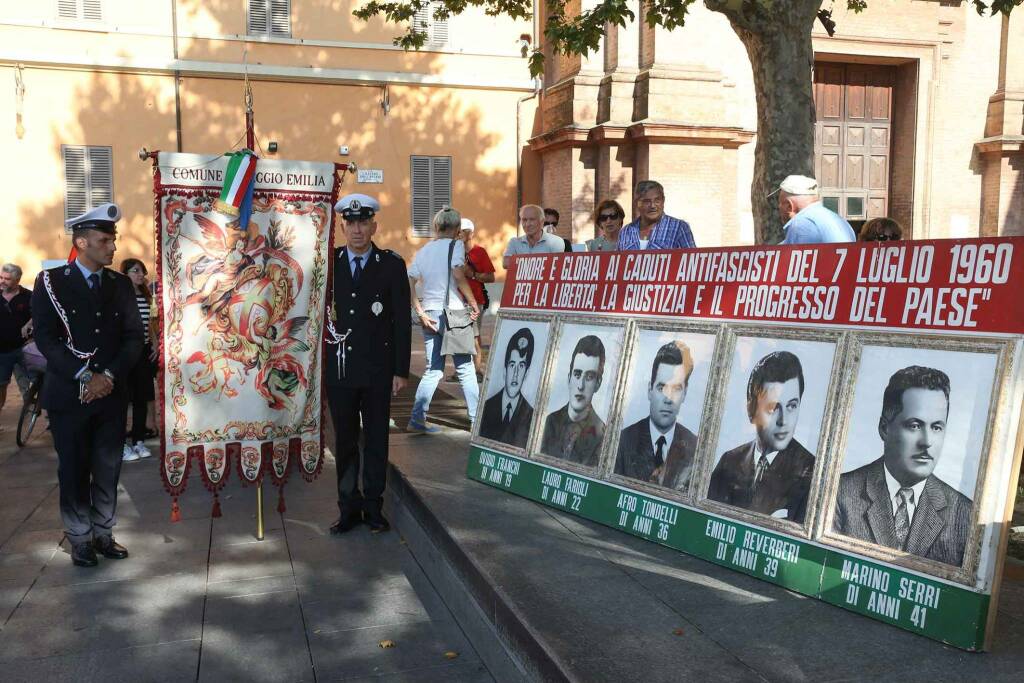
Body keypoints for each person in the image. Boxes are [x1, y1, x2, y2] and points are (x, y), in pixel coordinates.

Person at [32, 203, 143, 567]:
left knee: (108, 466)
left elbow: (133, 338)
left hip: (110, 395)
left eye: (113, 240)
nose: (113, 248)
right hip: (69, 394)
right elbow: (46, 339)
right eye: (104, 240)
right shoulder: (51, 282)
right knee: (74, 468)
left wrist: (107, 377)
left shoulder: (120, 284)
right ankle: (79, 537)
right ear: (81, 242)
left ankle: (103, 532)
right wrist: (84, 375)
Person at [325, 193, 411, 534]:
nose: (358, 230)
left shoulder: (391, 265)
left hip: (377, 371)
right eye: (351, 223)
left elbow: (401, 321)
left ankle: (374, 507)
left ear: (374, 226)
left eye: (364, 223)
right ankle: (348, 508)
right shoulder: (329, 265)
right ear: (343, 227)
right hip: (341, 370)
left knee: (376, 440)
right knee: (345, 441)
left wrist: (400, 370)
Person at [833, 366, 971, 566]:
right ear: (884, 429)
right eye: (914, 426)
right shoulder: (841, 493)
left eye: (936, 427)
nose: (927, 441)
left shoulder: (964, 514)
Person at [708, 351, 815, 523]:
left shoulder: (811, 472)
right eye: (773, 408)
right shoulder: (729, 460)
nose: (784, 421)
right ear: (751, 410)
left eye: (792, 406)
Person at [408, 206, 480, 434]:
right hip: (453, 314)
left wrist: (419, 310)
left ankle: (417, 419)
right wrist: (473, 301)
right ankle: (475, 419)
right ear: (457, 229)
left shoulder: (424, 250)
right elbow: (458, 274)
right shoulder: (456, 245)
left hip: (429, 314)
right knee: (466, 368)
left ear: (436, 227)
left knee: (433, 370)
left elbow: (408, 280)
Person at [614, 341, 697, 491]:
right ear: (649, 390)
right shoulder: (623, 441)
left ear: (685, 393)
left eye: (676, 389)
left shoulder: (695, 448)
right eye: (661, 387)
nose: (668, 398)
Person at [540, 335, 606, 467]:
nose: (580, 385)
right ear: (569, 378)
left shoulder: (602, 435)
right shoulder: (550, 422)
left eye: (589, 377)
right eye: (577, 374)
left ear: (598, 384)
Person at [119, 259, 158, 462]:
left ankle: (138, 440)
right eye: (135, 271)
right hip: (125, 353)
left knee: (142, 397)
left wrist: (154, 343)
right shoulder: (118, 296)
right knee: (123, 399)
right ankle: (121, 444)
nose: (140, 274)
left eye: (142, 271)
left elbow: (150, 322)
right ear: (125, 273)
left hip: (142, 352)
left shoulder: (146, 295)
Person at [478, 327, 535, 448]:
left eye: (521, 366)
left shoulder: (531, 414)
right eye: (512, 364)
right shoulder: (487, 406)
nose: (515, 374)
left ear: (526, 373)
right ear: (504, 370)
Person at [772, 175, 856, 245]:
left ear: (789, 206)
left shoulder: (801, 223)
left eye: (780, 203)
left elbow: (790, 263)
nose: (779, 207)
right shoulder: (842, 222)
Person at [460, 218, 495, 379]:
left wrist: (473, 274)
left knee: (474, 336)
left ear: (471, 233)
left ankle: (478, 369)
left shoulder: (479, 252)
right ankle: (460, 370)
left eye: (464, 230)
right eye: (458, 230)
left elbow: (490, 277)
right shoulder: (454, 252)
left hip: (475, 300)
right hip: (456, 301)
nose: (460, 233)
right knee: (459, 337)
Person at [617, 180, 696, 250]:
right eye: (647, 201)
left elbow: (692, 262)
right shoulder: (625, 232)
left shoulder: (679, 228)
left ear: (663, 201)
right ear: (637, 203)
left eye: (657, 200)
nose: (653, 206)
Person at [0, 263, 32, 418]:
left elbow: (40, 314)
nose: (2, 281)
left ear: (17, 280)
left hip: (23, 349)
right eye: (1, 277)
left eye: (7, 279)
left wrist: (29, 323)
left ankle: (34, 416)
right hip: (1, 352)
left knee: (30, 385)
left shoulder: (28, 296)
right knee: (0, 387)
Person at [503, 205, 566, 269]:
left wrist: (519, 261)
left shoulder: (556, 241)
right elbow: (506, 263)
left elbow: (556, 265)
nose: (527, 224)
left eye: (532, 219)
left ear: (542, 221)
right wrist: (540, 262)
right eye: (524, 220)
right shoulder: (514, 242)